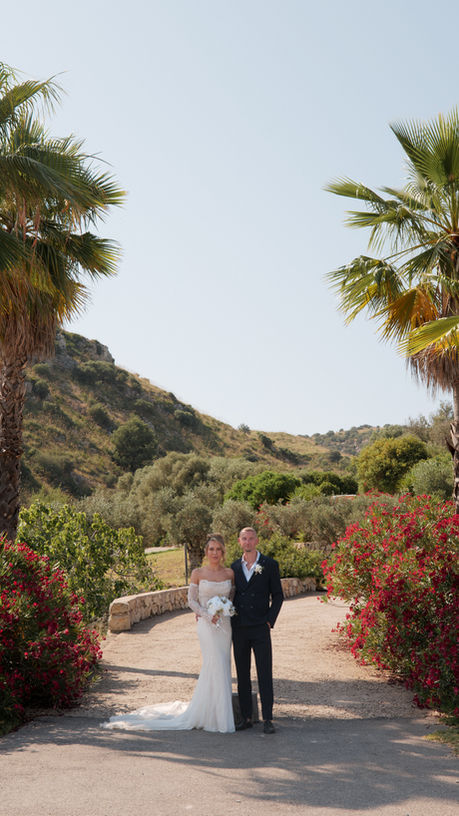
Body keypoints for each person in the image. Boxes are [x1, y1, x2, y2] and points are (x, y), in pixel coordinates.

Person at [102, 534, 235, 733]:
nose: (214, 553)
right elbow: (191, 600)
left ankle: (218, 714)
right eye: (211, 549)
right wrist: (207, 615)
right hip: (207, 626)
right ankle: (209, 715)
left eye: (218, 549)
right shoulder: (198, 573)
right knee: (212, 662)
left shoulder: (230, 573)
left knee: (223, 663)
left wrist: (224, 610)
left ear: (223, 552)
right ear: (206, 551)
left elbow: (232, 596)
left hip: (224, 626)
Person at [231, 527, 284, 734]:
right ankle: (246, 718)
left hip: (261, 628)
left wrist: (270, 621)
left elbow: (278, 596)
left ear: (257, 540)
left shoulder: (270, 565)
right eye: (244, 538)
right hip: (240, 628)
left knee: (264, 673)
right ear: (239, 541)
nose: (248, 542)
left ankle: (268, 718)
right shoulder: (234, 567)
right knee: (242, 674)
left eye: (251, 538)